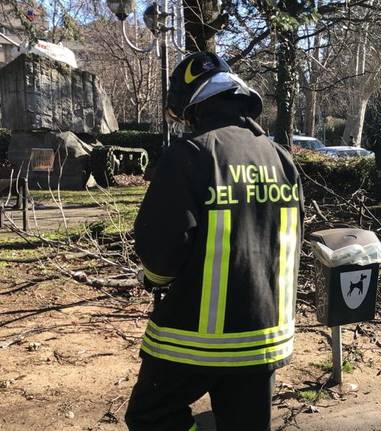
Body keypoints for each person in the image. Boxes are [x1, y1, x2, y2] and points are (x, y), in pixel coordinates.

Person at [125, 52, 304, 431]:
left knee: (151, 415)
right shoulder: (282, 159)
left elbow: (161, 251)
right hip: (266, 336)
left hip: (195, 338)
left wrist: (153, 280)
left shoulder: (191, 153)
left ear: (192, 108)